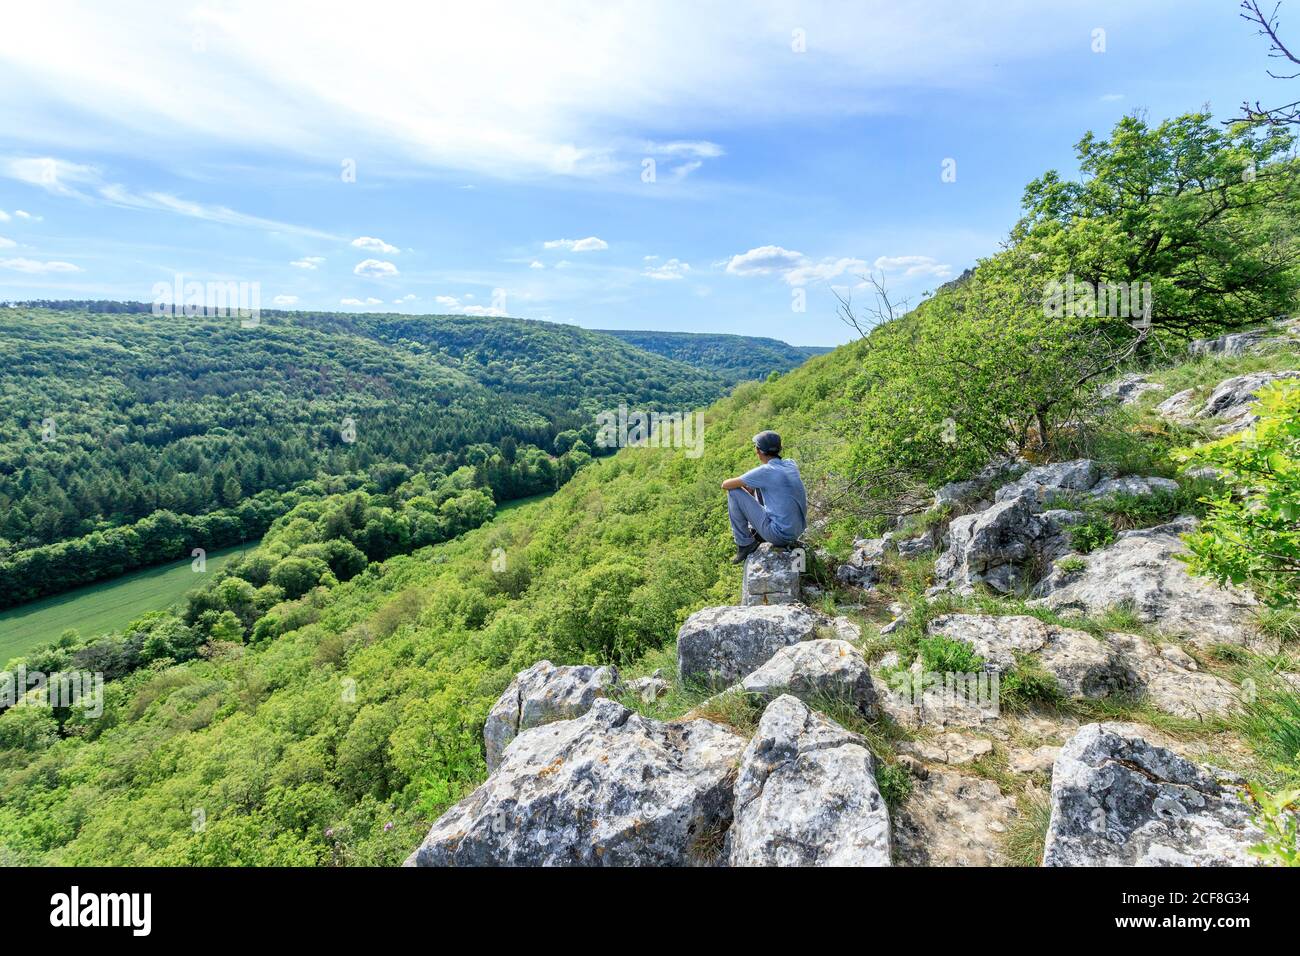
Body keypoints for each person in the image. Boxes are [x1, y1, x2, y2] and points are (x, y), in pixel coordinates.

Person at [721, 430, 807, 563]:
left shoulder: (765, 471)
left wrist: (747, 489)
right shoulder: (791, 464)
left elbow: (725, 484)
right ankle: (756, 531)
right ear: (780, 449)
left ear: (758, 451)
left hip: (779, 535)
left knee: (734, 492)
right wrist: (752, 487)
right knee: (757, 485)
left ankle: (745, 544)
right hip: (797, 529)